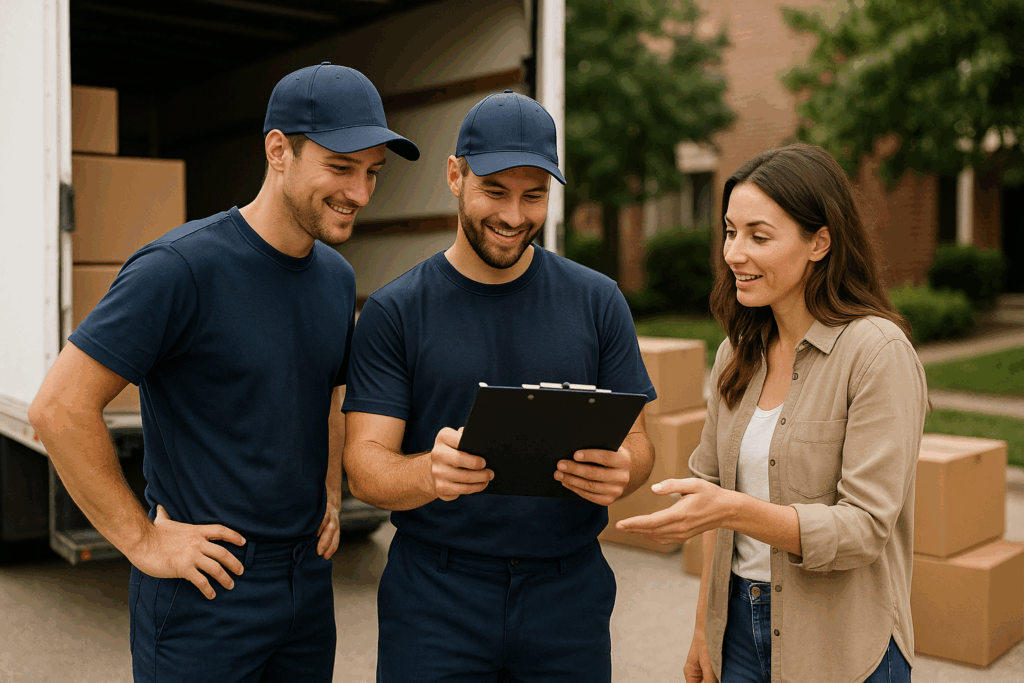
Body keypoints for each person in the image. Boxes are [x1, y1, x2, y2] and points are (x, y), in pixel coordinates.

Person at [28, 63, 419, 683]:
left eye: (372, 172)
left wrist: (329, 493)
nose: (361, 193)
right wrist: (143, 541)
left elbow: (327, 392)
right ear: (278, 151)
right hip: (207, 591)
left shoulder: (335, 278)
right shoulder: (179, 268)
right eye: (341, 167)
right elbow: (58, 408)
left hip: (306, 587)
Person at [341, 89, 658, 683]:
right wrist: (428, 474)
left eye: (533, 195)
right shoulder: (395, 311)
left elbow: (639, 444)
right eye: (495, 190)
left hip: (568, 597)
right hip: (436, 599)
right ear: (455, 176)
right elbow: (364, 466)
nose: (514, 216)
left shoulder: (598, 301)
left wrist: (625, 469)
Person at [616, 143, 926, 683]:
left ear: (819, 242)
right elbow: (711, 493)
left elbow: (864, 528)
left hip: (841, 645)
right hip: (736, 632)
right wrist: (704, 630)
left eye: (759, 237)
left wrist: (734, 510)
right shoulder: (736, 354)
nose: (734, 253)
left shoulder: (876, 353)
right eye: (730, 232)